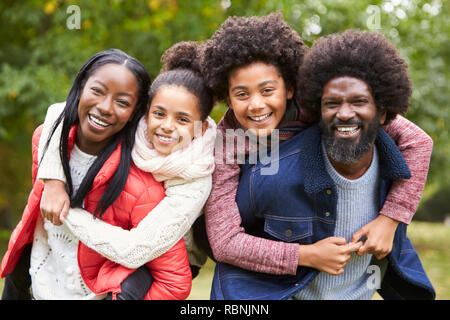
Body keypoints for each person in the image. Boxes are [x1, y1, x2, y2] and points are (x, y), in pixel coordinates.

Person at [201, 14, 434, 296]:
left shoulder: (321, 106)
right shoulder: (228, 143)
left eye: (267, 90)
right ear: (227, 97)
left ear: (290, 88)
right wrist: (305, 255)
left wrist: (391, 219)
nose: (256, 105)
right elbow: (225, 241)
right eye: (241, 95)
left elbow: (418, 141)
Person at [0, 49, 192, 300]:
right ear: (80, 88)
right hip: (34, 285)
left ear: (135, 113)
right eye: (97, 91)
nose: (105, 107)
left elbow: (174, 282)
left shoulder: (142, 185)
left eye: (122, 102)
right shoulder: (44, 141)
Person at [32, 42, 215, 287]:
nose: (167, 126)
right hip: (115, 243)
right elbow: (58, 111)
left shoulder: (196, 175)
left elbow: (134, 250)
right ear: (146, 112)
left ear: (201, 128)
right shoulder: (136, 125)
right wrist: (54, 182)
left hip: (165, 258)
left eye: (182, 119)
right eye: (159, 114)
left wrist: (66, 209)